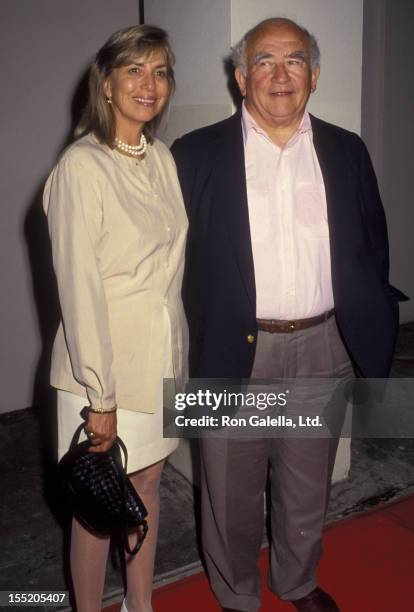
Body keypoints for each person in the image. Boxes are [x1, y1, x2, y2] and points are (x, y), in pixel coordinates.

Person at [171, 17, 407, 612]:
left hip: (323, 346)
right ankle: (236, 594)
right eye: (265, 62)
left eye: (295, 60)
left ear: (315, 74)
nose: (281, 75)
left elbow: (372, 243)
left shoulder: (347, 149)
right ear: (240, 76)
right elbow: (169, 264)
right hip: (232, 349)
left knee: (307, 485)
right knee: (230, 492)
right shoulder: (193, 153)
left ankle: (297, 582)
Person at [43, 25, 188, 612]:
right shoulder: (82, 167)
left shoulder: (162, 159)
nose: (147, 84)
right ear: (105, 83)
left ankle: (139, 605)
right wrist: (99, 396)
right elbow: (79, 288)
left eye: (159, 72)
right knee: (97, 510)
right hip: (99, 370)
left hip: (158, 360)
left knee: (147, 489)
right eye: (134, 70)